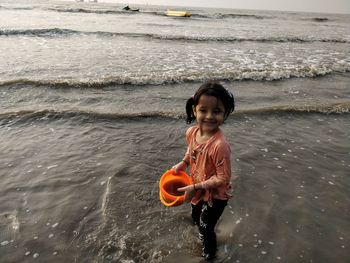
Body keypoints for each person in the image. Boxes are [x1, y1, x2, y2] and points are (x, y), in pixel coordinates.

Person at [172, 81, 235, 260]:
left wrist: (196, 187)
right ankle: (197, 224)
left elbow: (223, 178)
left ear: (226, 113)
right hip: (197, 187)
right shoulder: (192, 132)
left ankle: (209, 256)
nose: (209, 116)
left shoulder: (220, 145)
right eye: (203, 110)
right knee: (195, 213)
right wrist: (183, 164)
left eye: (216, 111)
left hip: (216, 196)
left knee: (206, 227)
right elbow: (190, 152)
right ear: (194, 110)